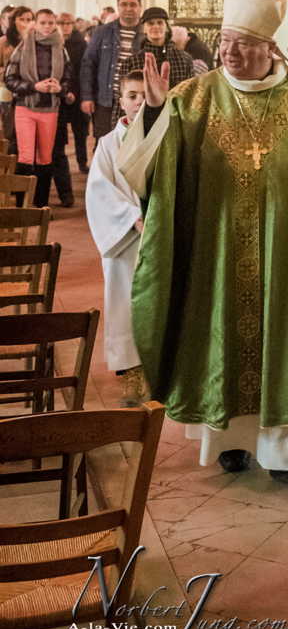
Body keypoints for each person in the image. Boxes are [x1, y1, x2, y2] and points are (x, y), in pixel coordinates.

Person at [120, 0, 288, 485]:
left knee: (285, 341)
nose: (229, 53)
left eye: (243, 45)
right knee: (222, 337)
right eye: (225, 41)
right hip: (219, 251)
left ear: (271, 46)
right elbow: (146, 173)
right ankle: (227, 441)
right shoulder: (193, 98)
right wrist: (157, 110)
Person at [85, 70, 148, 406]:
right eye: (132, 95)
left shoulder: (164, 139)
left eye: (143, 95)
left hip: (160, 235)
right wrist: (131, 218)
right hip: (125, 238)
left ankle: (160, 366)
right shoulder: (108, 144)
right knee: (124, 302)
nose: (138, 102)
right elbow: (98, 191)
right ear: (121, 100)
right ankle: (132, 371)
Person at [5, 8, 74, 206]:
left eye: (51, 23)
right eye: (43, 22)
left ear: (55, 24)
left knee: (45, 158)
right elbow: (9, 78)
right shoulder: (23, 45)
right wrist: (35, 86)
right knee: (26, 156)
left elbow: (69, 78)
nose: (47, 27)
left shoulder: (60, 47)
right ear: (35, 23)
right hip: (25, 107)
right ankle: (21, 206)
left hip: (50, 109)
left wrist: (59, 87)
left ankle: (41, 205)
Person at [80, 0, 144, 140]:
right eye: (124, 4)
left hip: (137, 100)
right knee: (104, 141)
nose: (128, 9)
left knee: (135, 141)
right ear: (118, 6)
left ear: (140, 7)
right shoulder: (103, 31)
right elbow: (88, 64)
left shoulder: (145, 33)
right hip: (107, 99)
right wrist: (87, 97)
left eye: (133, 5)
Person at [117, 7, 194, 120]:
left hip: (174, 119)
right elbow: (123, 98)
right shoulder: (131, 62)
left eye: (160, 22)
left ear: (166, 27)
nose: (156, 26)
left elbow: (190, 94)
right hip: (142, 120)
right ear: (144, 28)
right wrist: (121, 130)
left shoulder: (184, 59)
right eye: (150, 23)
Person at [49, 13, 90, 207]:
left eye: (68, 23)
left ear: (73, 25)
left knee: (80, 132)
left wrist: (77, 93)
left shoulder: (80, 43)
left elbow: (83, 71)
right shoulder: (53, 41)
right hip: (59, 97)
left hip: (77, 93)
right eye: (62, 23)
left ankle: (82, 161)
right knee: (59, 140)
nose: (65, 26)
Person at [0, 6, 34, 149]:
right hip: (7, 89)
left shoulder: (35, 41)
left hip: (29, 90)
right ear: (14, 21)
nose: (25, 23)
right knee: (9, 129)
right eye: (21, 19)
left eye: (29, 19)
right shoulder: (4, 41)